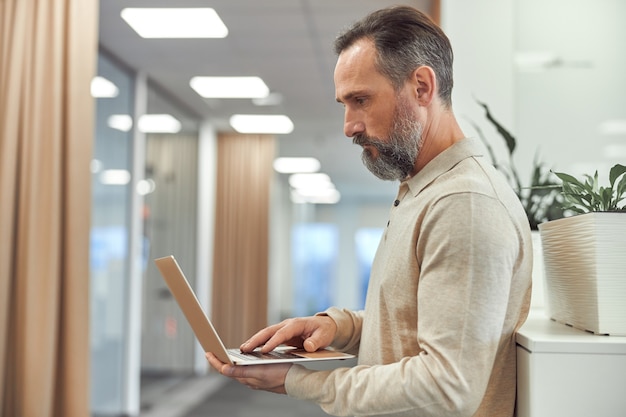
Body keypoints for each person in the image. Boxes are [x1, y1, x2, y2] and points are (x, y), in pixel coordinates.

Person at [207, 5, 532, 417]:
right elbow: (414, 322)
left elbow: (448, 387)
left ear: (421, 87)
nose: (349, 126)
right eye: (345, 103)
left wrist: (299, 381)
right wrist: (339, 327)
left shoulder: (463, 204)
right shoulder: (422, 191)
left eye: (361, 100)